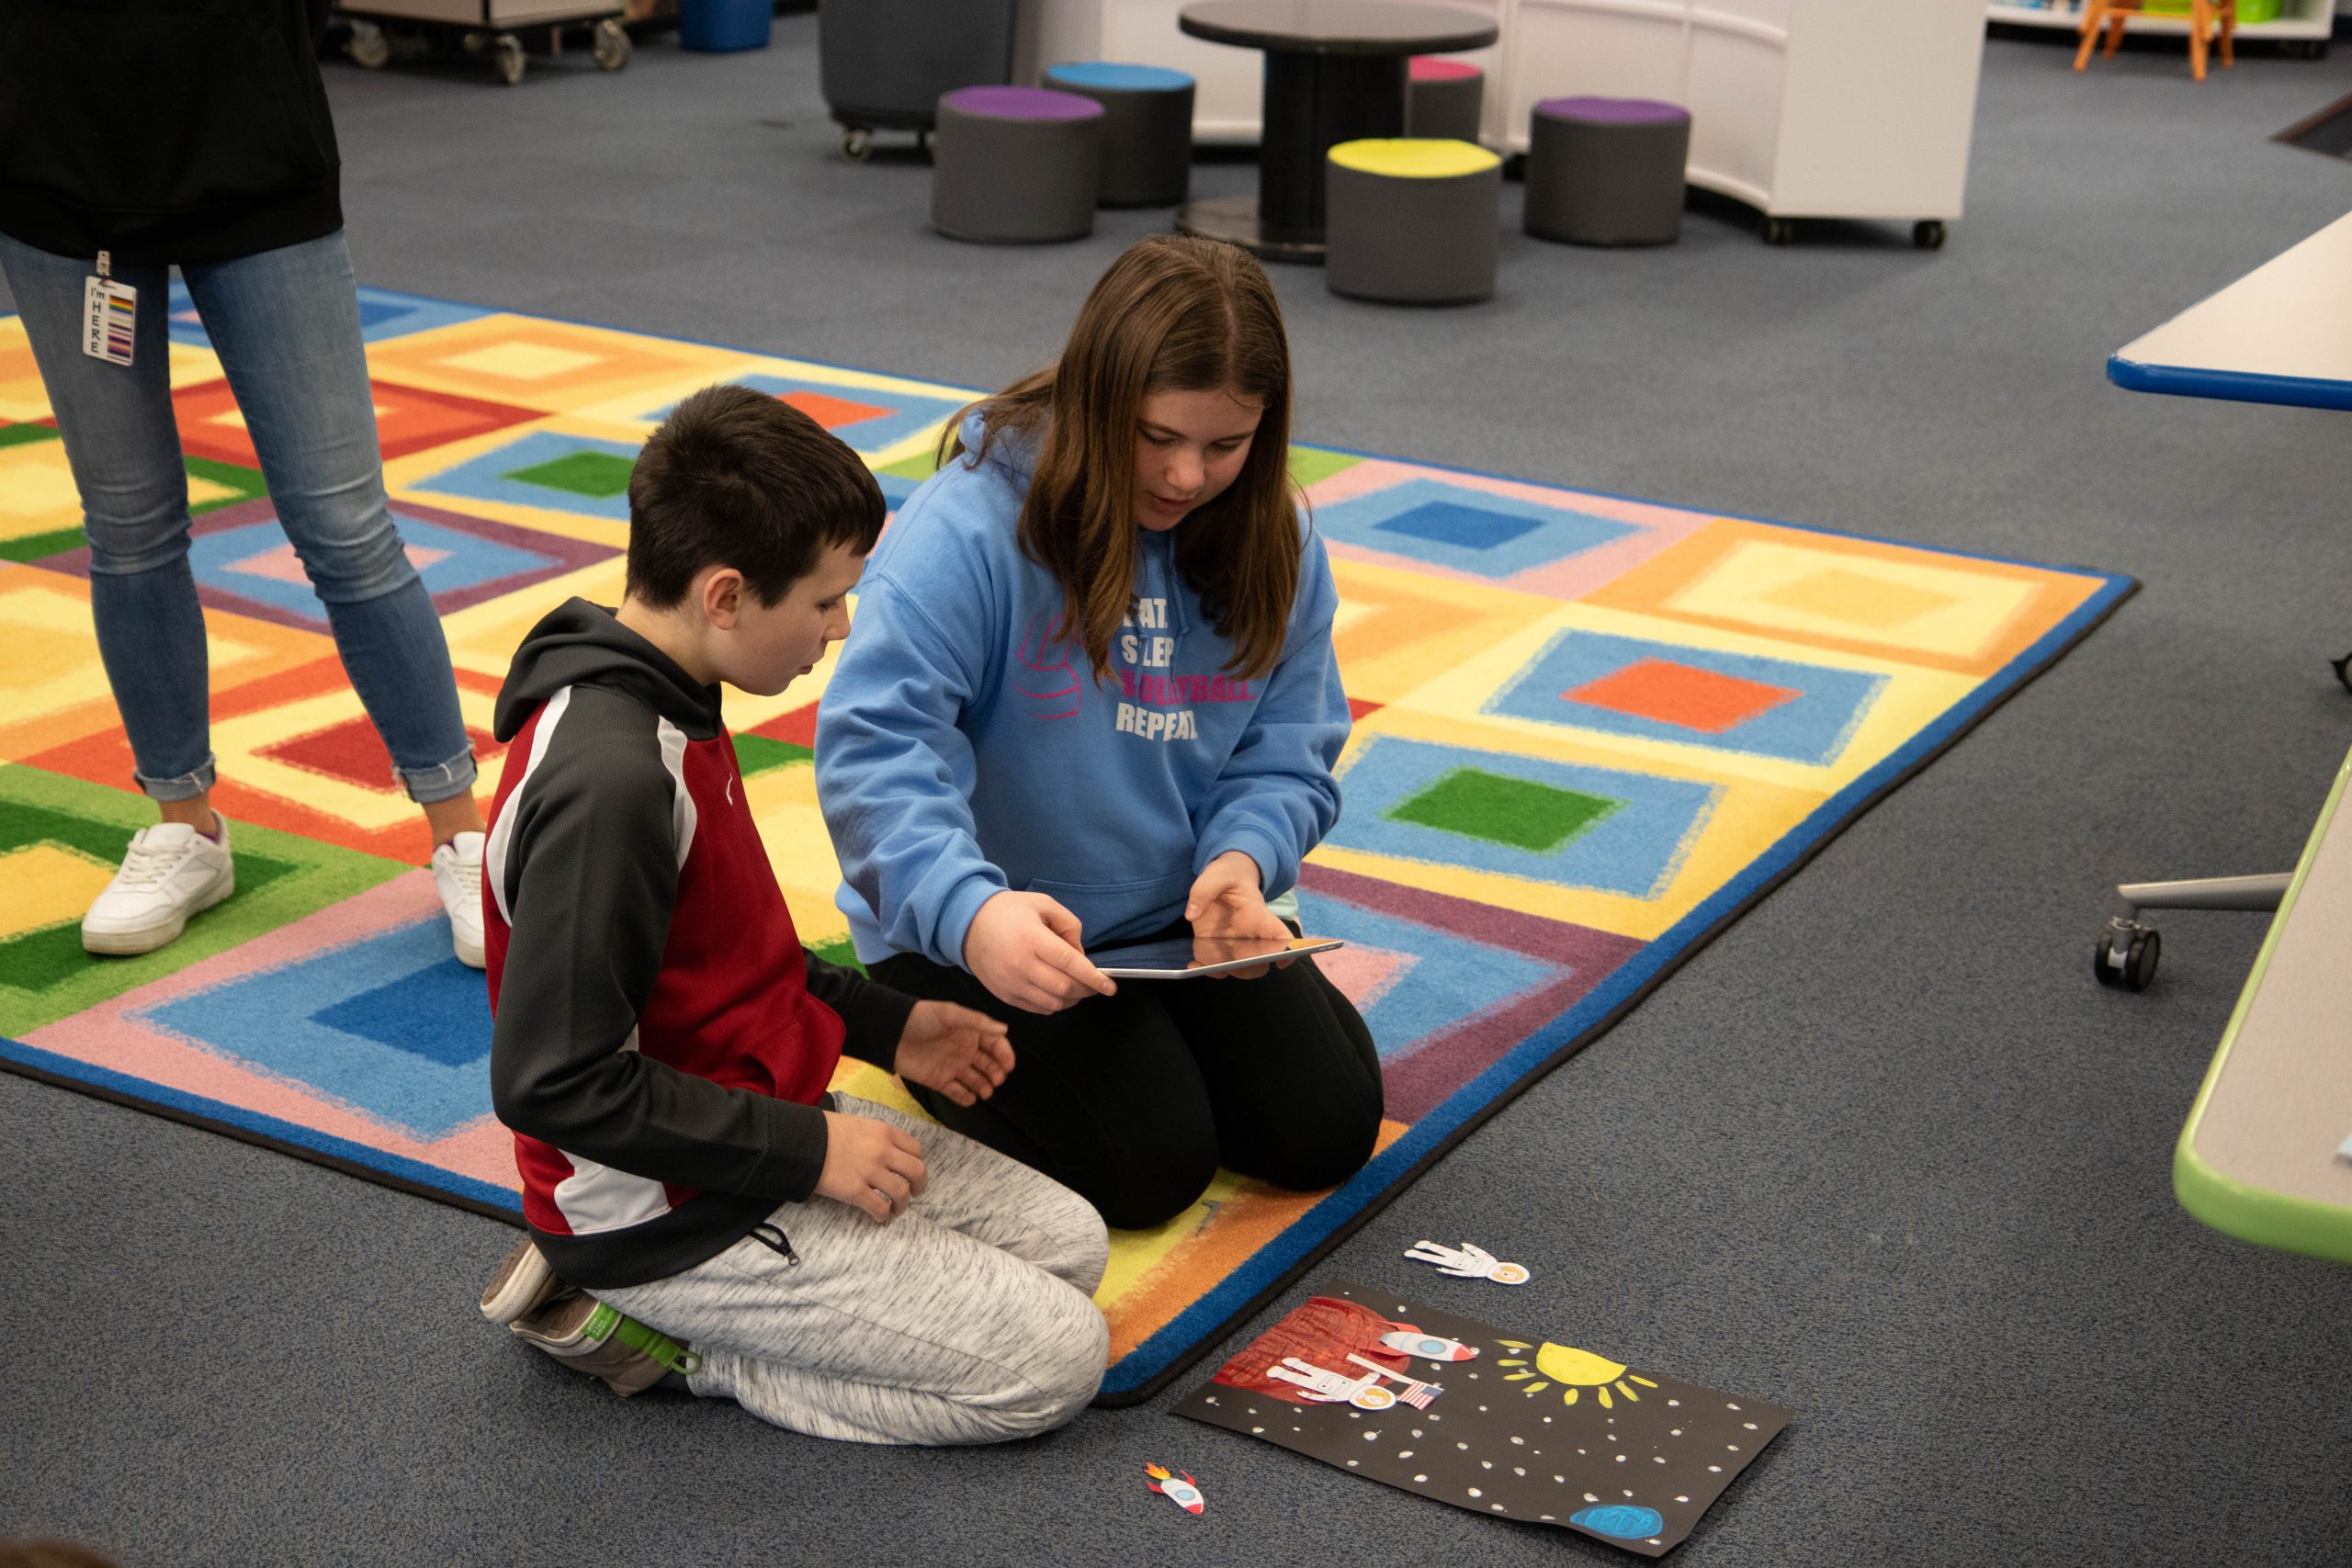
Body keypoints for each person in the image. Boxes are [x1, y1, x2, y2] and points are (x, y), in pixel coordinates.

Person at [478, 384, 1109, 1445]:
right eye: (824, 602)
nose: (840, 628)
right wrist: (807, 1152)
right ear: (725, 596)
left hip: (748, 1125)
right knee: (1054, 1366)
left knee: (1070, 1245)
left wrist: (891, 1026)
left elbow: (736, 961)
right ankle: (674, 1345)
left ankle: (774, 1281)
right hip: (661, 1215)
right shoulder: (614, 788)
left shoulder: (677, 694)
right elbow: (553, 1085)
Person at [815, 235, 1385, 1232]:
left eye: (1225, 444)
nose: (1183, 474)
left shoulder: (1275, 537)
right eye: (1155, 434)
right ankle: (920, 1041)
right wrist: (969, 915)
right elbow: (875, 756)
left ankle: (1157, 1028)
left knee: (1327, 1131)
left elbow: (1289, 747)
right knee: (1149, 1171)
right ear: (1095, 399)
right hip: (979, 935)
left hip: (1176, 931)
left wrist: (1245, 863)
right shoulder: (967, 528)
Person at [0, 1, 488, 964]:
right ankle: (186, 825)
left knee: (344, 526)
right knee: (127, 524)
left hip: (255, 157)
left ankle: (460, 832)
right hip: (54, 171)